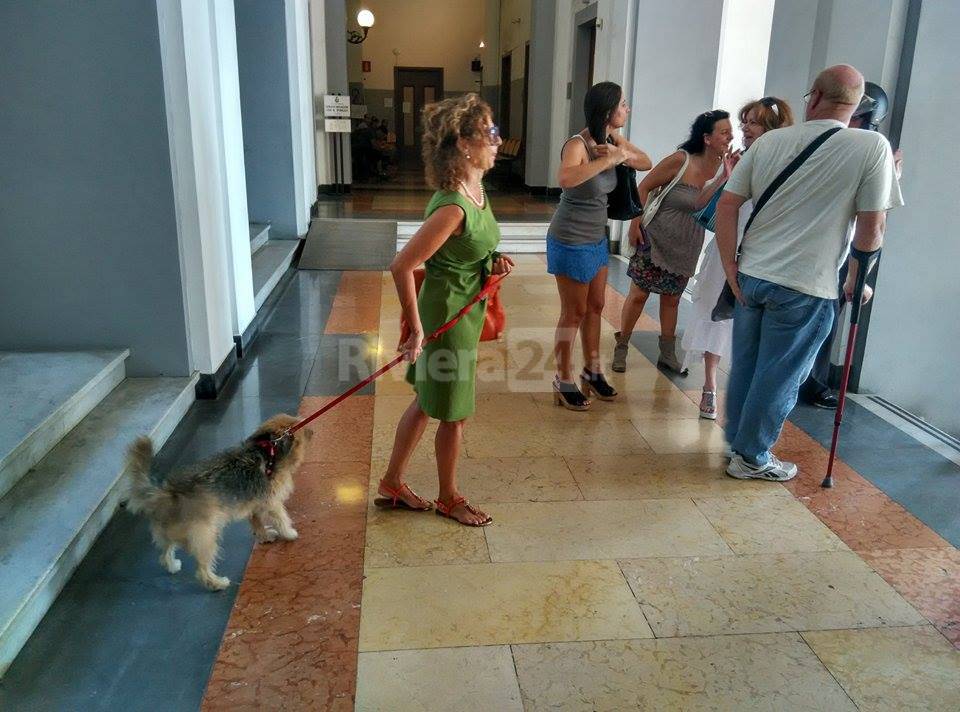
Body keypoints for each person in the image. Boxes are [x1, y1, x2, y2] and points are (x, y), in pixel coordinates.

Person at [716, 65, 903, 481]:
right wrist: (857, 277)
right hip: (807, 285)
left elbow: (727, 206)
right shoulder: (872, 147)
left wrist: (731, 265)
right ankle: (752, 456)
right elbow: (872, 226)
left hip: (752, 275)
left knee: (748, 364)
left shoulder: (770, 142)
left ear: (814, 97)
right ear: (856, 106)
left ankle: (738, 442)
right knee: (781, 373)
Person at [379, 94, 513, 526]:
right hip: (445, 319)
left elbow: (469, 248)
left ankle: (392, 482)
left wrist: (491, 261)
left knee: (426, 401)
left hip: (464, 309)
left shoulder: (476, 191)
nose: (498, 140)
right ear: (464, 144)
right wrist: (416, 329)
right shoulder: (454, 205)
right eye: (490, 133)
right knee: (454, 414)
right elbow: (403, 265)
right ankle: (449, 498)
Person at [681, 98, 795, 419]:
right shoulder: (736, 160)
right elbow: (700, 204)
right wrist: (723, 178)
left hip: (762, 255)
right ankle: (709, 388)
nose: (744, 129)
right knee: (713, 315)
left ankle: (745, 393)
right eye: (744, 122)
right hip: (724, 252)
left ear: (772, 128)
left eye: (752, 122)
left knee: (752, 324)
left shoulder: (784, 163)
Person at [546, 82, 651, 410]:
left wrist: (621, 151)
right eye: (622, 104)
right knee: (573, 312)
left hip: (595, 238)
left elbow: (646, 162)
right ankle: (563, 378)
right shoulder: (577, 144)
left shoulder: (612, 140)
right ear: (607, 111)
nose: (627, 109)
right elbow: (566, 178)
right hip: (570, 238)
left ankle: (592, 371)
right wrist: (609, 161)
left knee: (596, 306)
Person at [799, 82, 903, 409]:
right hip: (831, 244)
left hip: (842, 244)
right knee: (819, 317)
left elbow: (871, 215)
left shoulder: (868, 145)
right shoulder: (860, 145)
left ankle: (809, 379)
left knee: (824, 318)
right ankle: (807, 380)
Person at [613, 110, 733, 375]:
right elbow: (643, 187)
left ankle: (667, 353)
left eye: (730, 132)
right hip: (654, 237)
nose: (730, 136)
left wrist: (726, 176)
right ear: (707, 138)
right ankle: (621, 346)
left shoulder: (725, 169)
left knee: (672, 299)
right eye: (724, 132)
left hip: (687, 245)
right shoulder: (681, 160)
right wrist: (634, 223)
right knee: (639, 294)